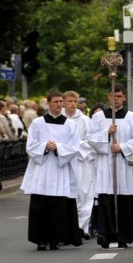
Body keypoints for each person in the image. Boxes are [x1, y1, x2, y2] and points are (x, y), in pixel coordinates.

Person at [21, 90, 82, 251]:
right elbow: (30, 145)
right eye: (56, 102)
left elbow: (74, 147)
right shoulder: (38, 123)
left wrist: (58, 148)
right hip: (42, 168)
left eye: (61, 102)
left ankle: (56, 239)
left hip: (60, 168)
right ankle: (40, 239)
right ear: (48, 103)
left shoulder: (70, 125)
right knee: (40, 205)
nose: (59, 104)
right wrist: (44, 146)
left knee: (58, 206)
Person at [88, 83, 133, 249]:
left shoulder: (132, 117)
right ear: (109, 97)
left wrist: (122, 147)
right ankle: (105, 234)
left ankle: (124, 236)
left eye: (119, 96)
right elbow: (90, 138)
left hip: (125, 165)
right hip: (106, 164)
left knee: (125, 202)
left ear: (124, 98)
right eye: (113, 96)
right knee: (106, 199)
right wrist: (106, 133)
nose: (116, 99)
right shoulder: (98, 118)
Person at [63, 91, 96, 238]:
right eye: (70, 101)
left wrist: (74, 148)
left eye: (75, 101)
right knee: (67, 194)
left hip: (80, 161)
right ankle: (67, 227)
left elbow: (91, 141)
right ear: (63, 102)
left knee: (84, 194)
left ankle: (82, 227)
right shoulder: (59, 119)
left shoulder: (84, 120)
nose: (73, 104)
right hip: (63, 162)